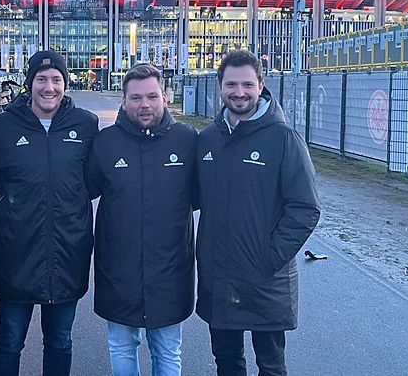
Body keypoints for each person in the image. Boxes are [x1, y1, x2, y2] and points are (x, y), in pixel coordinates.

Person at [195, 49, 321, 376]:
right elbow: (191, 197)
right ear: (219, 86)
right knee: (227, 362)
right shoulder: (208, 140)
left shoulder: (283, 139)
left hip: (266, 280)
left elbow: (305, 208)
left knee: (271, 366)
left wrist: (270, 257)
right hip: (219, 278)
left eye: (247, 85)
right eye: (231, 85)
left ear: (261, 85)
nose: (239, 92)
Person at [0, 50, 100, 376]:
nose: (49, 87)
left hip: (67, 254)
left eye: (56, 80)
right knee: (9, 340)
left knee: (60, 341)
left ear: (65, 84)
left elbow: (92, 182)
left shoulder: (86, 125)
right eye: (41, 79)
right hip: (15, 254)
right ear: (29, 83)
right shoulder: (2, 127)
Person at [86, 63, 197, 376]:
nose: (144, 105)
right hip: (118, 269)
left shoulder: (186, 140)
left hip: (170, 270)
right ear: (124, 101)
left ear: (164, 97)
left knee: (167, 350)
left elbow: (200, 196)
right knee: (122, 346)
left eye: (151, 96)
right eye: (135, 98)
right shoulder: (106, 143)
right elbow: (86, 191)